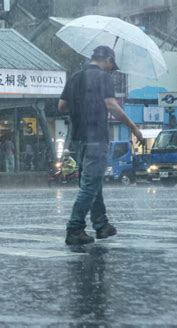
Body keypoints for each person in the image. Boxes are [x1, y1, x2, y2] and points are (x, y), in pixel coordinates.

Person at [58, 45, 145, 245]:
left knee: (93, 182)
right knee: (89, 186)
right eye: (111, 65)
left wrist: (82, 105)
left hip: (78, 138)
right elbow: (111, 105)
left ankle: (101, 225)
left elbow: (61, 106)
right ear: (106, 59)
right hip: (96, 137)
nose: (110, 69)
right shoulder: (103, 78)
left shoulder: (75, 77)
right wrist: (133, 128)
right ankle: (75, 228)